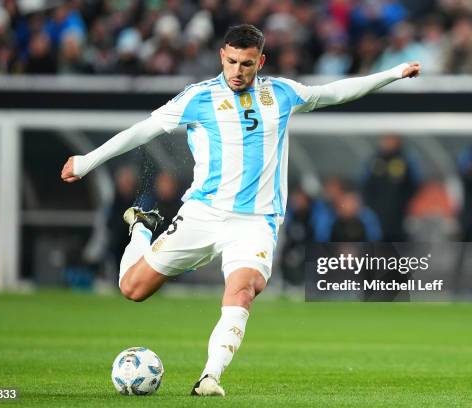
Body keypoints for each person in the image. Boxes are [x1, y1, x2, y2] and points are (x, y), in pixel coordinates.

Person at [61, 24, 420, 396]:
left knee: (244, 289)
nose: (237, 71)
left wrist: (393, 73)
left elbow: (334, 92)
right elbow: (143, 131)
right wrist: (87, 160)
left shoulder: (281, 93)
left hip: (255, 222)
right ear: (222, 56)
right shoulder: (198, 98)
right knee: (132, 289)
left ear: (260, 61)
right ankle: (142, 227)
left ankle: (209, 377)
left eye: (246, 64)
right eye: (231, 61)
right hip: (203, 214)